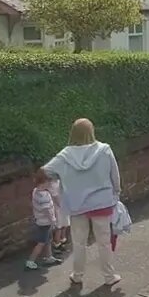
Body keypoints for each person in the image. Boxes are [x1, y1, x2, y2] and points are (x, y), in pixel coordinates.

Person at [43, 118, 122, 287]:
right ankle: (109, 276)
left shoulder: (65, 155)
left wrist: (61, 176)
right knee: (104, 242)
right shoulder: (105, 150)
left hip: (77, 205)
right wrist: (116, 192)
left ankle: (77, 276)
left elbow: (47, 171)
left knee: (79, 243)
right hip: (102, 203)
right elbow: (114, 175)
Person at [26, 169, 62, 270]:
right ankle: (30, 261)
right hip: (45, 222)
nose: (50, 183)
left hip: (40, 220)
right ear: (44, 182)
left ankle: (49, 257)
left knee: (47, 240)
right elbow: (47, 210)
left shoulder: (35, 191)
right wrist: (53, 221)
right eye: (48, 182)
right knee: (41, 242)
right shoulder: (44, 196)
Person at [49, 175, 70, 255]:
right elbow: (55, 197)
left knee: (65, 223)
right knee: (59, 226)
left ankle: (62, 240)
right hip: (58, 207)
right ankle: (57, 243)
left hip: (63, 205)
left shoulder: (58, 181)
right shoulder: (52, 184)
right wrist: (62, 205)